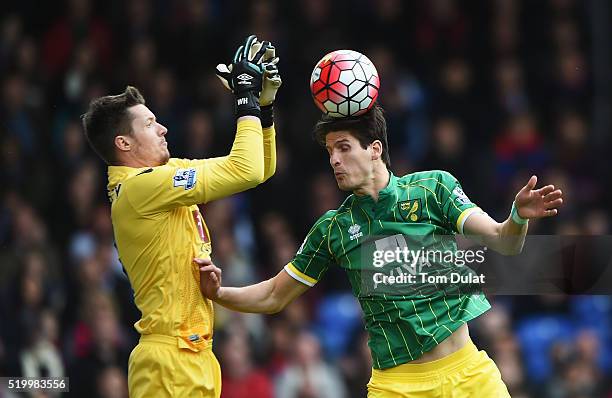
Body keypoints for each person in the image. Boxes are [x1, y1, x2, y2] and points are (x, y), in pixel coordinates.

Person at [197, 104, 564, 397]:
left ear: (374, 150)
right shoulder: (334, 228)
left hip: (467, 375)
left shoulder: (432, 189)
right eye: (329, 152)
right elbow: (275, 295)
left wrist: (517, 216)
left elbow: (503, 240)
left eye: (343, 148)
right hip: (396, 387)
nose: (334, 161)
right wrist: (219, 294)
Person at [81, 35, 281, 398]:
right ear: (123, 144)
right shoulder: (142, 190)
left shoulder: (161, 177)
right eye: (150, 124)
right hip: (166, 362)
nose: (163, 128)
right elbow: (247, 169)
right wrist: (244, 99)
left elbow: (261, 169)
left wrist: (263, 112)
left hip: (199, 355)